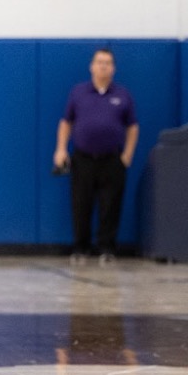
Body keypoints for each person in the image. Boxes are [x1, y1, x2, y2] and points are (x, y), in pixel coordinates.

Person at [53, 47, 137, 265]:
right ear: (91, 66)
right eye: (99, 62)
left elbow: (132, 126)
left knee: (110, 205)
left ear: (113, 68)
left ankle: (107, 249)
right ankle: (81, 249)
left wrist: (127, 154)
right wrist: (61, 149)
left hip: (112, 160)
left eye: (107, 63)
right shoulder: (78, 93)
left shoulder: (122, 95)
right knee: (81, 205)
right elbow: (66, 122)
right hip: (83, 159)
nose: (103, 66)